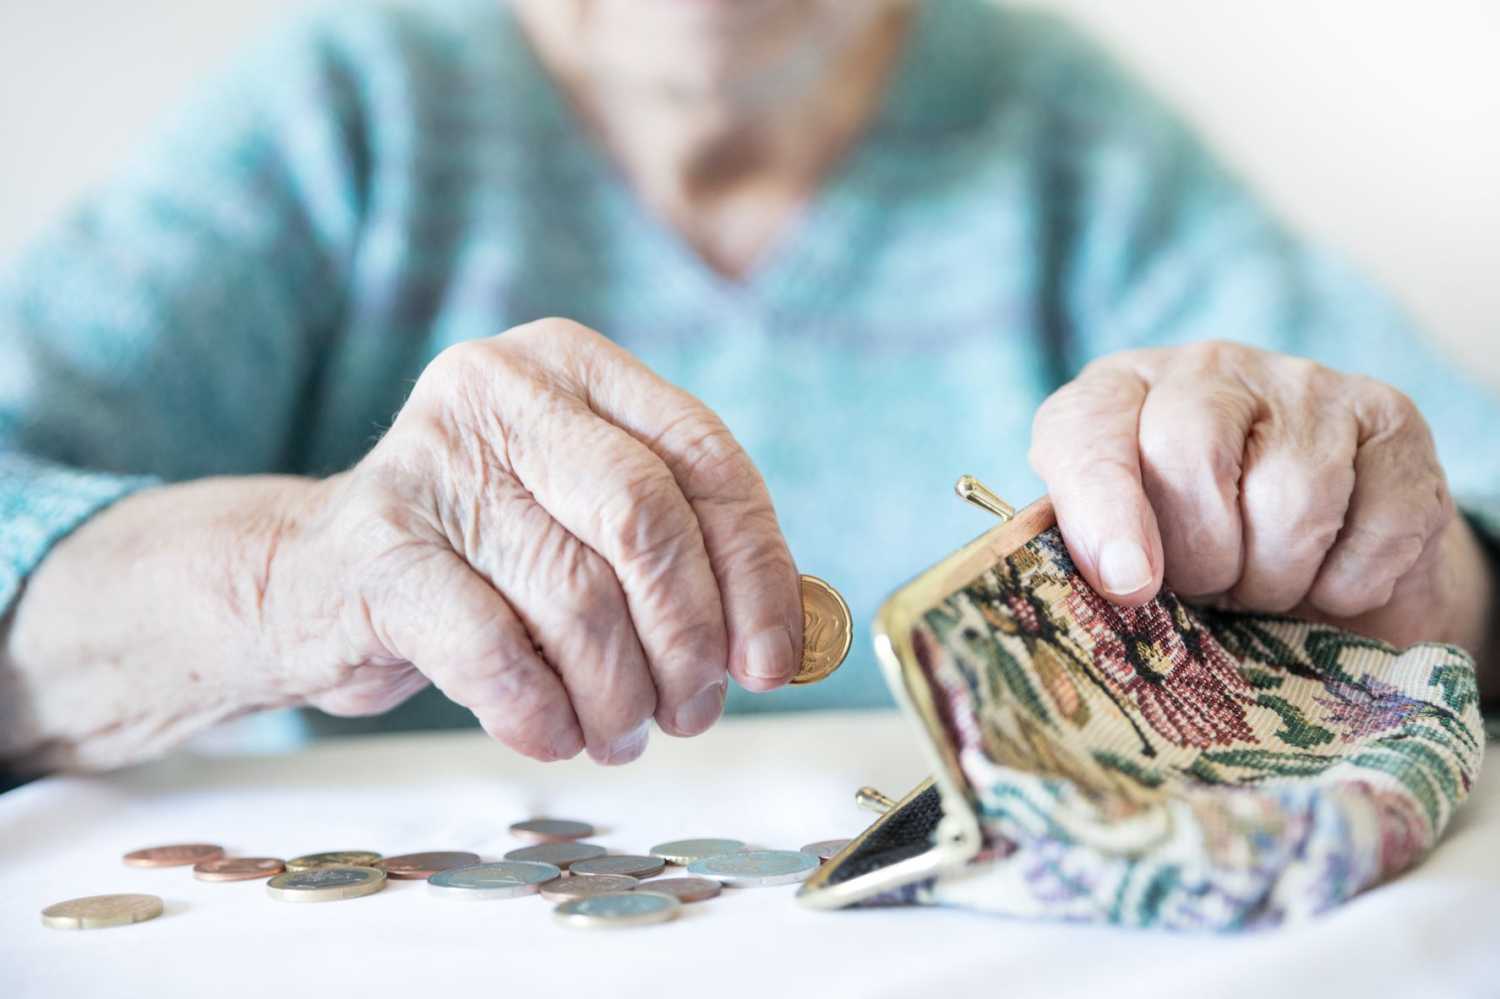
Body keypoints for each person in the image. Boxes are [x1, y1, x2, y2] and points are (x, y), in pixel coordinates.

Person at [1, 0, 1496, 777]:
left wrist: (1406, 573)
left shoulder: (1067, 142)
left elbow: (1464, 514)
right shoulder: (346, 115)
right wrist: (292, 582)